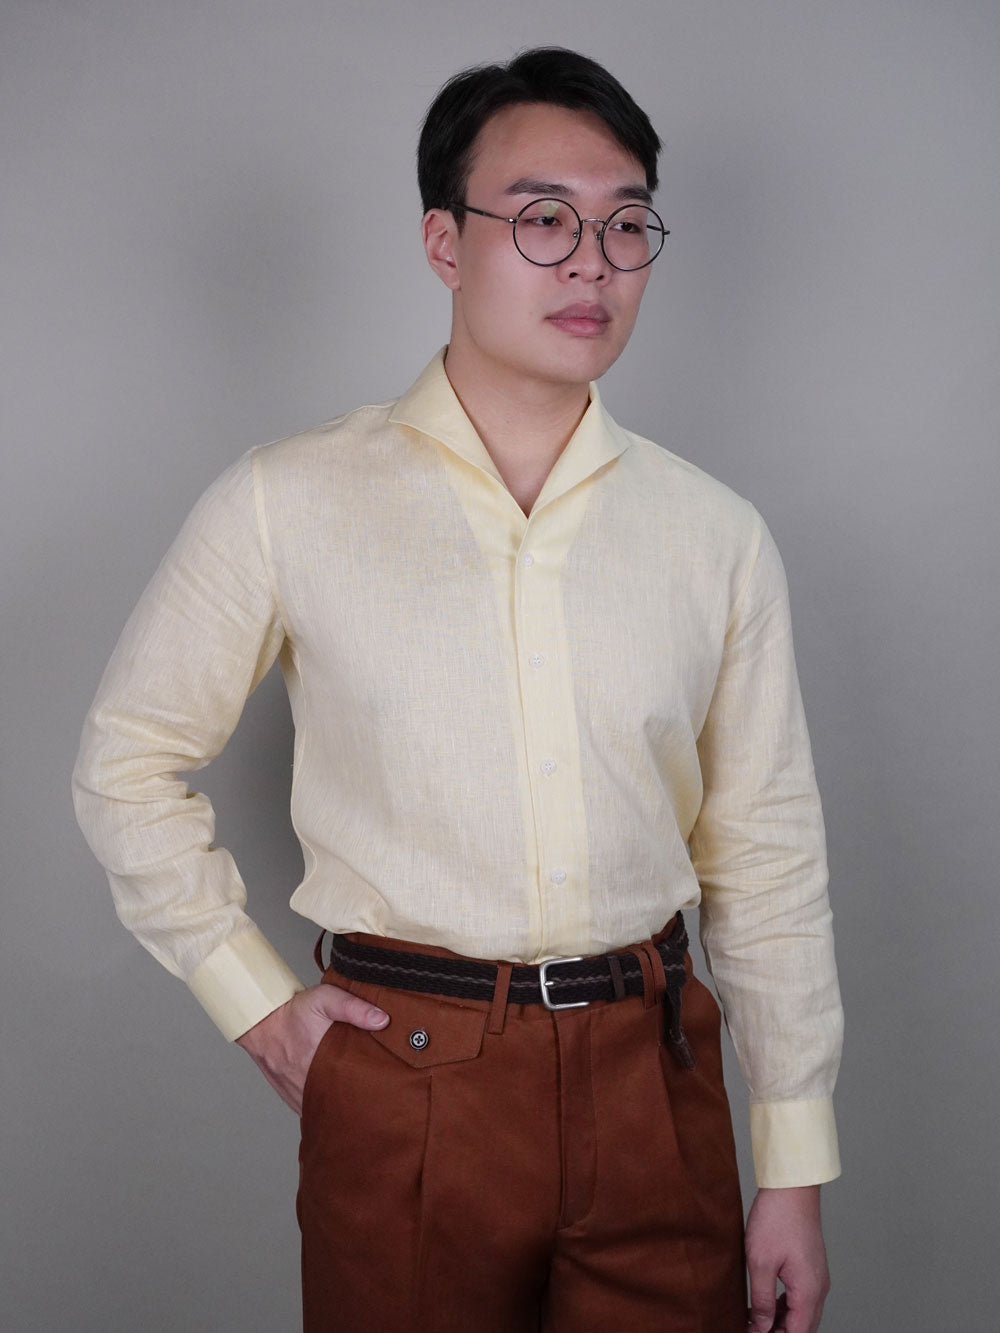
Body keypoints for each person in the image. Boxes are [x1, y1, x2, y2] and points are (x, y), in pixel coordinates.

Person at [73, 46, 843, 1333]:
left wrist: (795, 1165)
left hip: (654, 1086)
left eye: (626, 224)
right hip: (409, 1080)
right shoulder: (288, 499)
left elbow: (764, 853)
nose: (590, 263)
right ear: (445, 241)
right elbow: (127, 762)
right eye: (542, 218)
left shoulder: (713, 535)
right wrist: (257, 1006)